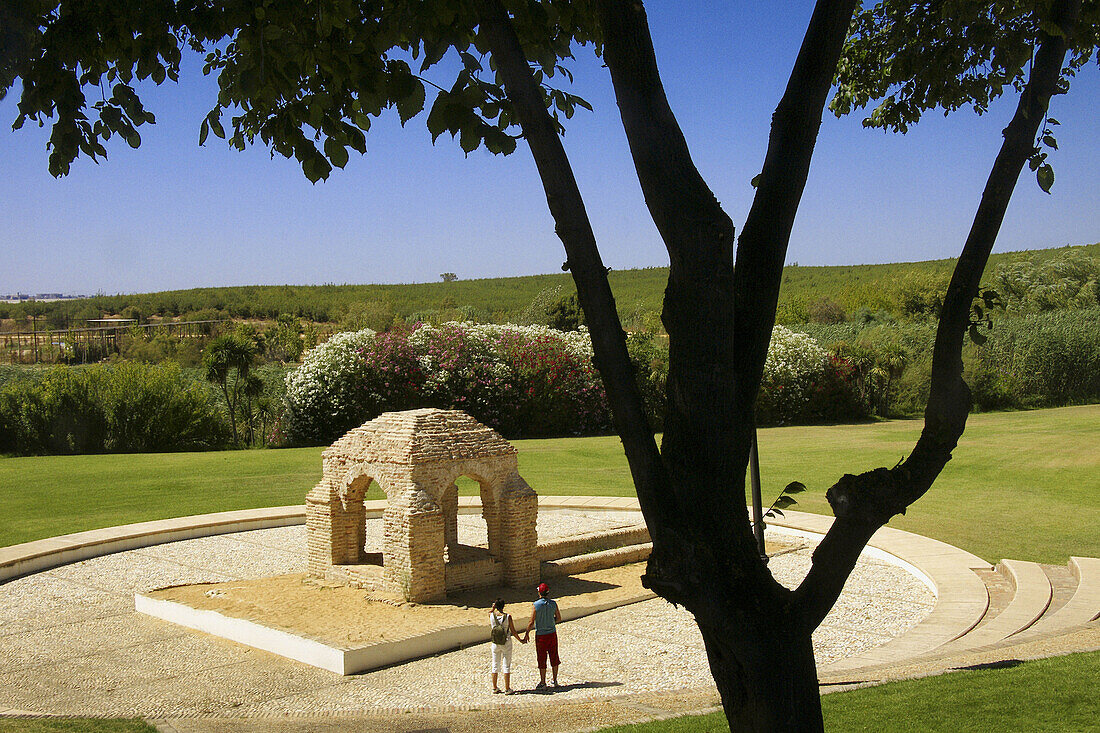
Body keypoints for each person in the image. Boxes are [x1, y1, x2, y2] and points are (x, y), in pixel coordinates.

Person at [523, 582, 562, 689]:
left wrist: (527, 633)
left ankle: (543, 682)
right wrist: (550, 620)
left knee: (542, 658)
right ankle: (554, 680)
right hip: (552, 634)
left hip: (541, 635)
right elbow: (558, 618)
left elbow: (531, 621)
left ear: (539, 593)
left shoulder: (536, 605)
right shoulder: (553, 604)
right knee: (554, 656)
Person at [489, 598, 524, 694]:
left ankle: (494, 687)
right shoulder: (508, 617)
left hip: (495, 642)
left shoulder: (492, 616)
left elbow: (489, 612)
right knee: (506, 665)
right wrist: (520, 640)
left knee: (495, 664)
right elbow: (513, 631)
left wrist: (493, 608)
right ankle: (507, 688)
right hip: (506, 642)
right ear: (503, 606)